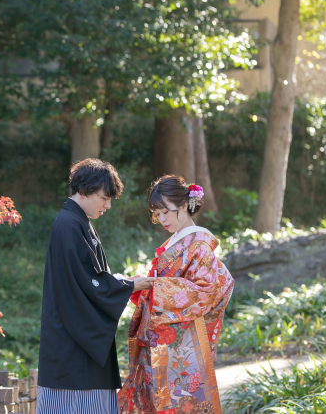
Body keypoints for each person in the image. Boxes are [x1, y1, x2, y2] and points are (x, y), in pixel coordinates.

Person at [38, 159, 155, 414]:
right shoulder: (69, 224)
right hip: (72, 343)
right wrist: (128, 284)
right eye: (104, 197)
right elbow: (87, 282)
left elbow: (90, 277)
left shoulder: (76, 222)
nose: (108, 205)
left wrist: (122, 282)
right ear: (83, 190)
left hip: (73, 335)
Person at [117, 175, 234, 414]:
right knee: (155, 397)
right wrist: (143, 284)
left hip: (182, 338)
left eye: (165, 212)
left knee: (177, 400)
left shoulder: (199, 243)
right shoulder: (180, 240)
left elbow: (206, 290)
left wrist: (155, 287)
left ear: (184, 206)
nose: (161, 219)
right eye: (156, 214)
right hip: (164, 333)